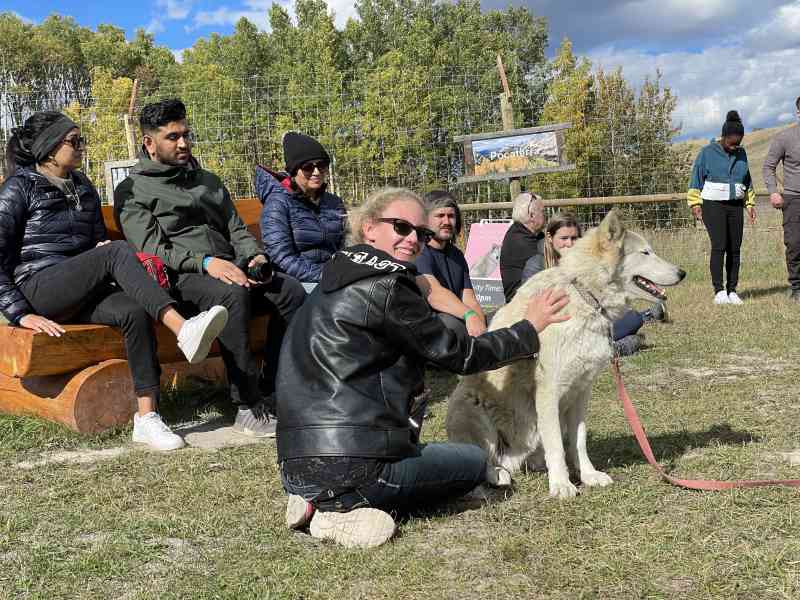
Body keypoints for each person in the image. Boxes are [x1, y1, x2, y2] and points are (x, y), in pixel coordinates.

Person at [275, 187, 570, 549]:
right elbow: (461, 356)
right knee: (474, 462)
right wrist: (528, 327)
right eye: (401, 227)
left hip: (295, 465)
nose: (413, 239)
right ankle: (337, 512)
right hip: (355, 467)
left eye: (422, 232)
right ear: (369, 228)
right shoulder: (387, 285)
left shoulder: (331, 281)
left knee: (431, 458)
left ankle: (315, 498)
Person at [0, 111, 230, 451]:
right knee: (117, 251)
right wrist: (20, 314)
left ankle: (147, 417)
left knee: (133, 310)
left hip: (80, 289)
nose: (81, 146)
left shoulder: (82, 186)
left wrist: (99, 250)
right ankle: (183, 328)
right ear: (49, 148)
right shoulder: (18, 187)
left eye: (81, 140)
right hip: (38, 289)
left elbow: (94, 243)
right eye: (74, 141)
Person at [115, 99, 306, 438]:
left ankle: (273, 387)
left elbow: (236, 229)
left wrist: (253, 257)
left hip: (230, 269)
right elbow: (152, 248)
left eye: (186, 135)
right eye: (172, 137)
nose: (183, 143)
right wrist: (205, 263)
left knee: (289, 291)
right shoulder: (134, 191)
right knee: (232, 295)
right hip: (180, 279)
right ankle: (247, 405)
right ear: (149, 143)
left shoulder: (208, 181)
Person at [521, 212, 666, 356]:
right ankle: (615, 348)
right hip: (556, 330)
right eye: (564, 238)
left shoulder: (584, 263)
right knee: (630, 321)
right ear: (549, 238)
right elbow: (528, 309)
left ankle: (619, 338)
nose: (570, 244)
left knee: (632, 318)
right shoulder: (535, 265)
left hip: (588, 322)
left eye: (574, 238)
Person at [255, 132, 346, 284]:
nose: (316, 172)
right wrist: (327, 275)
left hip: (336, 275)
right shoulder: (278, 204)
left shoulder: (333, 202)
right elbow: (282, 258)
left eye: (321, 165)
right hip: (301, 281)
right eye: (308, 167)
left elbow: (346, 243)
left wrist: (348, 270)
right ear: (294, 171)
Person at [687, 110, 757, 305]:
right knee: (719, 246)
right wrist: (695, 203)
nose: (734, 147)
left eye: (738, 144)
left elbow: (747, 180)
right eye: (731, 143)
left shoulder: (741, 153)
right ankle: (719, 291)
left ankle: (732, 290)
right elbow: (696, 179)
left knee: (735, 248)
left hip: (735, 205)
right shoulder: (707, 153)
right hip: (713, 205)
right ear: (723, 137)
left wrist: (749, 204)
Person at [415, 190, 487, 336]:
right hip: (429, 329)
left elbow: (470, 300)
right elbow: (434, 294)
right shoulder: (418, 251)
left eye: (451, 216)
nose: (447, 222)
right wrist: (469, 315)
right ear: (425, 219)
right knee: (451, 323)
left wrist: (483, 330)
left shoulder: (457, 255)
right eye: (440, 216)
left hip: (457, 321)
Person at [763, 96, 800, 303]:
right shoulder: (785, 138)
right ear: (798, 112)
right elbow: (768, 167)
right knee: (794, 244)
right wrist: (773, 191)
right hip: (794, 199)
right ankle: (796, 287)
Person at [500, 191, 546, 302]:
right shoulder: (521, 241)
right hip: (521, 305)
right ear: (532, 215)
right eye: (542, 211)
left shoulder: (523, 233)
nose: (545, 215)